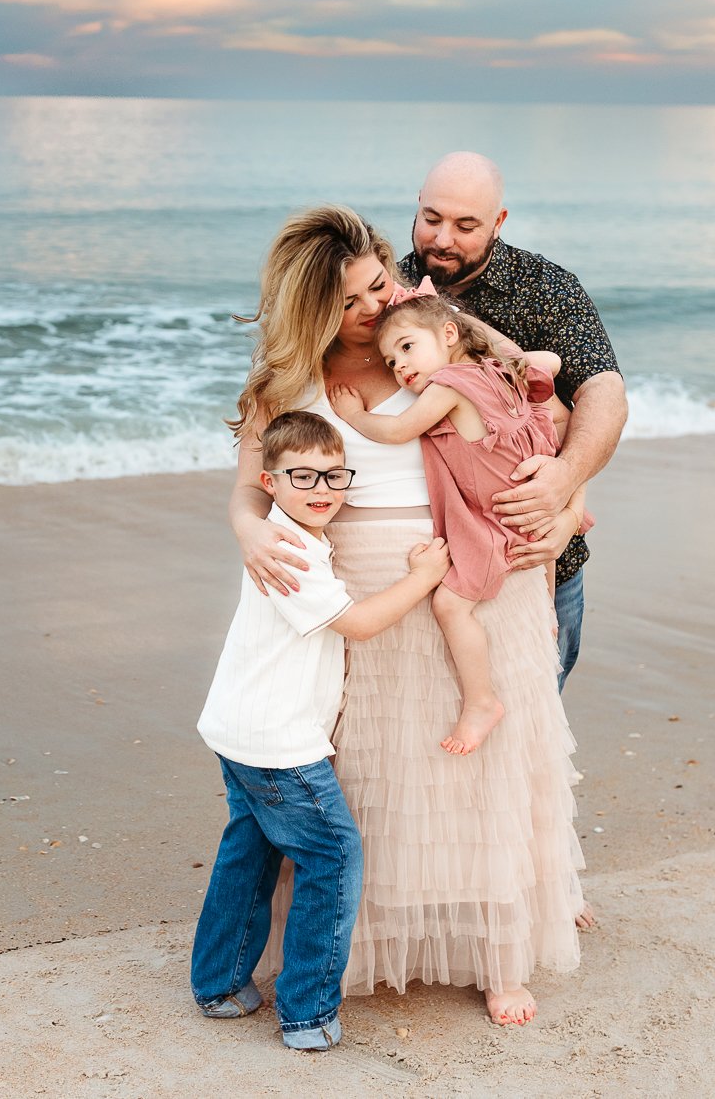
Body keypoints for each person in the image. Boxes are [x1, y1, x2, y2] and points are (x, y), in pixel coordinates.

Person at [231, 206, 586, 1028]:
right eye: (353, 299)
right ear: (317, 308)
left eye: (379, 283)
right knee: (370, 773)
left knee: (481, 767)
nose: (376, 306)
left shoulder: (438, 338)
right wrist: (252, 529)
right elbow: (251, 491)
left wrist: (564, 503)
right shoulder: (292, 380)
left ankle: (495, 952)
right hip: (356, 582)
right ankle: (356, 944)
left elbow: (542, 412)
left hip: (467, 562)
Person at [192, 410, 451, 1051]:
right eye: (302, 475)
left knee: (248, 854)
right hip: (278, 743)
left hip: (239, 726)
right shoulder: (291, 551)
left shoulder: (287, 535)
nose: (322, 488)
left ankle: (219, 984)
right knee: (333, 856)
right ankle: (306, 1013)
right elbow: (357, 624)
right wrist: (421, 578)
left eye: (335, 475)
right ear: (269, 481)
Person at [399, 152, 627, 689]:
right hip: (424, 569)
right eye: (432, 219)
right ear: (416, 206)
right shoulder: (382, 282)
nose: (443, 239)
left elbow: (604, 392)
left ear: (499, 222)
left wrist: (565, 485)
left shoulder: (544, 286)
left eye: (466, 225)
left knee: (531, 735)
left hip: (536, 553)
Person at [330, 284, 585, 756]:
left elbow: (398, 429)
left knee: (451, 606)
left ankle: (481, 702)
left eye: (408, 348)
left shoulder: (449, 386)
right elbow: (549, 360)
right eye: (390, 363)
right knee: (540, 549)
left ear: (449, 333)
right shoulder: (496, 371)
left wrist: (354, 415)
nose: (400, 367)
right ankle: (547, 612)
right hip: (527, 505)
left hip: (495, 519)